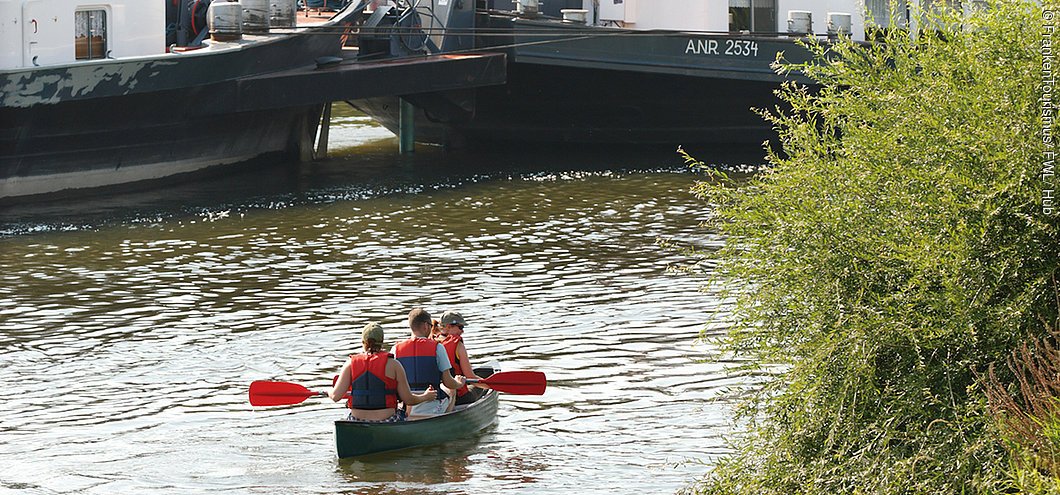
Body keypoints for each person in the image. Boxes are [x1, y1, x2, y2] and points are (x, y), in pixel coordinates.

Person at [329, 322, 436, 422]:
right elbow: (408, 400)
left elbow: (335, 396)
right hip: (387, 421)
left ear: (363, 342)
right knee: (404, 412)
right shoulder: (394, 365)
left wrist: (328, 391)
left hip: (357, 421)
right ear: (382, 342)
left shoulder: (350, 364)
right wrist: (426, 396)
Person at [392, 308, 466, 416]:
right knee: (451, 390)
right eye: (431, 326)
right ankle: (444, 419)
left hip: (407, 404)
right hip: (431, 404)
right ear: (426, 326)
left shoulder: (396, 349)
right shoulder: (437, 347)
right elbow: (448, 382)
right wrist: (459, 383)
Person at [437, 311, 486, 406]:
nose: (462, 331)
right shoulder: (458, 345)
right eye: (460, 327)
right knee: (481, 385)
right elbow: (470, 377)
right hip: (460, 398)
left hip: (437, 395)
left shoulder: (431, 342)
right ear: (448, 327)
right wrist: (490, 386)